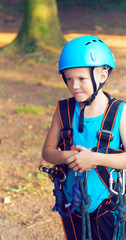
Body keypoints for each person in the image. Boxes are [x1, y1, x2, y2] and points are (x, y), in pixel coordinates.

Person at [42, 35, 126, 240]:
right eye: (68, 79)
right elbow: (48, 151)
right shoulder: (64, 110)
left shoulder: (120, 113)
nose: (74, 86)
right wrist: (68, 157)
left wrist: (94, 159)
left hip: (108, 204)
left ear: (103, 74)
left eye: (81, 78)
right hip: (73, 202)